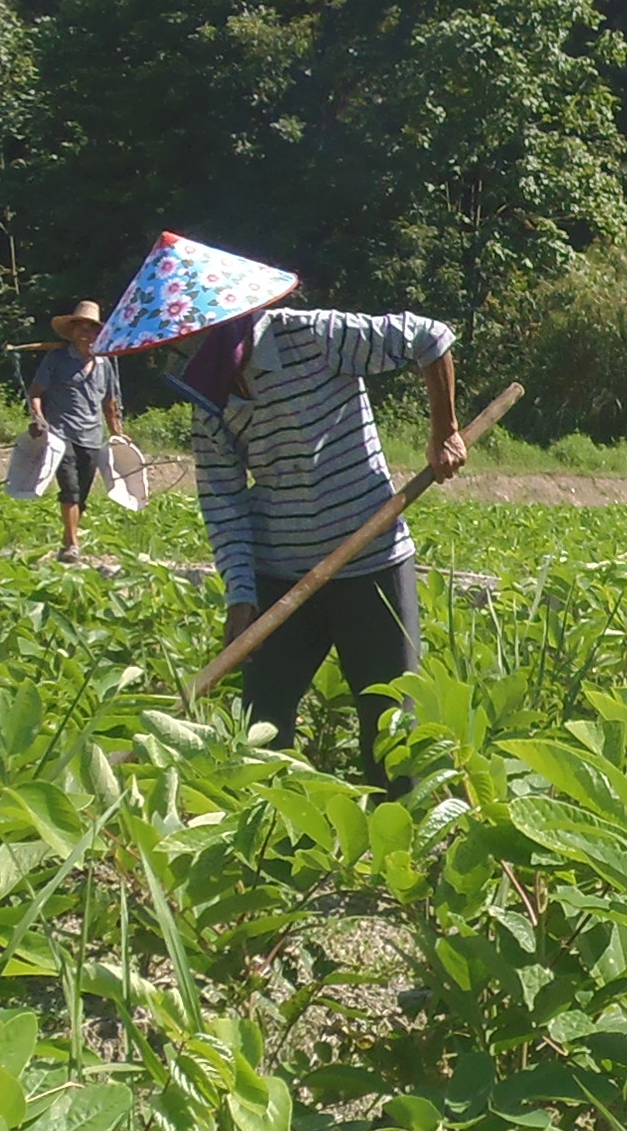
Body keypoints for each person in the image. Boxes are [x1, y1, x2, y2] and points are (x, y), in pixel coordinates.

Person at [95, 232, 465, 779]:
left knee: (390, 730)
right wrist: (242, 597)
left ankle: (396, 846)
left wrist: (445, 431)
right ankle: (265, 842)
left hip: (371, 560)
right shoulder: (210, 399)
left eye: (185, 341)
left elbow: (429, 338)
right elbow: (223, 500)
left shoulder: (315, 337)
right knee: (259, 726)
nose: (178, 355)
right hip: (279, 573)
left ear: (219, 328)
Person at [25, 299, 125, 564]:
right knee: (69, 489)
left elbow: (110, 403)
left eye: (92, 329)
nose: (87, 334)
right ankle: (72, 544)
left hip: (92, 437)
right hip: (61, 434)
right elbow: (35, 394)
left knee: (81, 493)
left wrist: (118, 432)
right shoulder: (57, 359)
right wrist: (39, 420)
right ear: (72, 332)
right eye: (81, 328)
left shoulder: (105, 364)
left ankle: (69, 538)